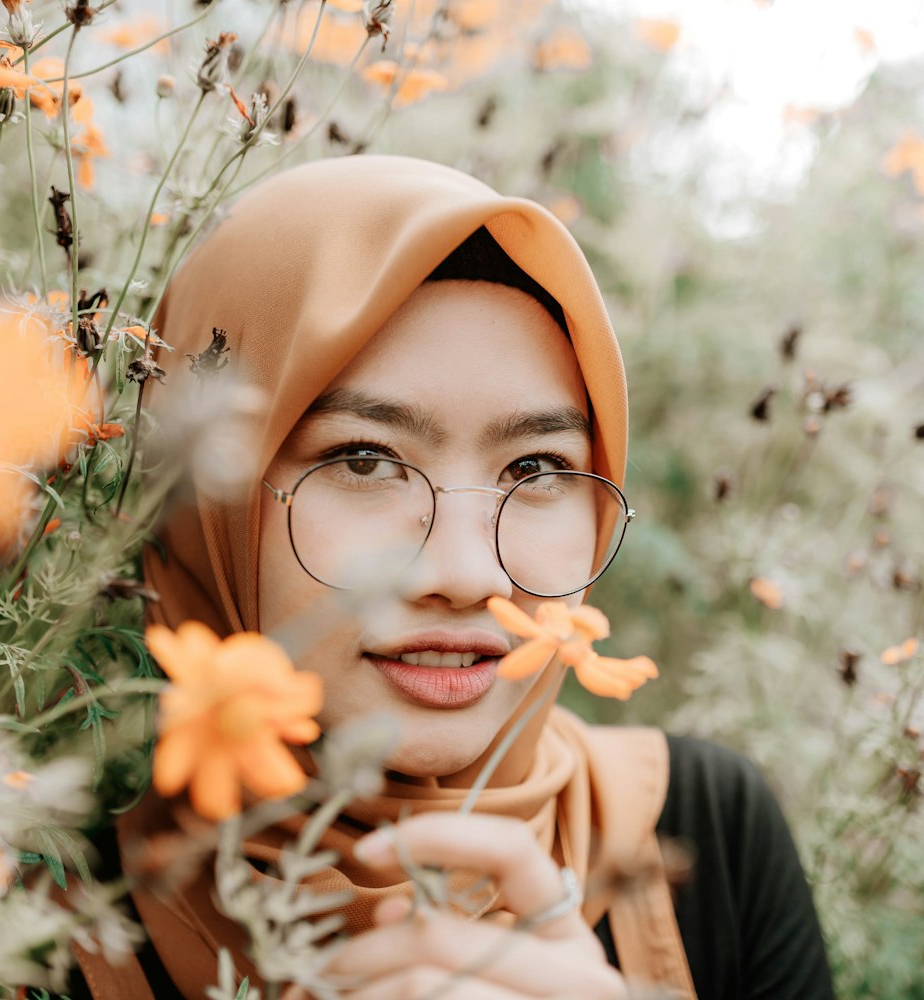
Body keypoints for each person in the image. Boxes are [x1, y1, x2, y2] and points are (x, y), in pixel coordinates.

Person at [73, 156, 834, 999]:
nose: (469, 575)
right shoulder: (29, 918)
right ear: (201, 502)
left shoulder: (705, 833)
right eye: (364, 459)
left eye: (539, 468)